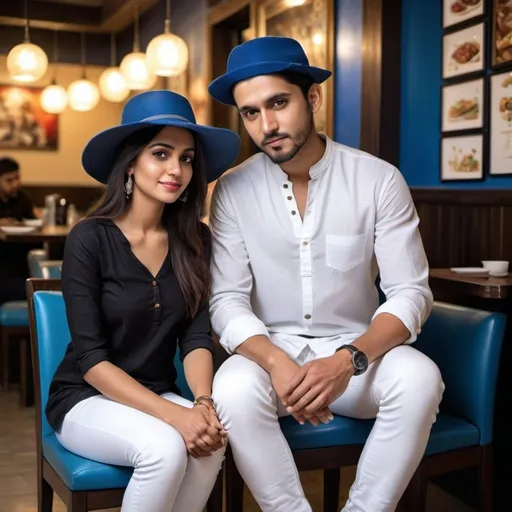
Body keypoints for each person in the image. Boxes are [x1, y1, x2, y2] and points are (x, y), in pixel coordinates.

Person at [207, 36, 445, 512]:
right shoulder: (231, 190)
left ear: (312, 97)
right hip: (270, 356)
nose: (267, 125)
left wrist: (346, 361)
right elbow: (226, 300)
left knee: (421, 379)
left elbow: (410, 293)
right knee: (231, 388)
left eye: (278, 103)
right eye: (251, 112)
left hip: (357, 358)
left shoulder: (378, 179)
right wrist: (277, 363)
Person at [45, 90, 240, 512]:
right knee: (165, 449)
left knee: (212, 442)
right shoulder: (89, 237)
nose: (177, 169)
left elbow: (196, 336)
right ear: (131, 162)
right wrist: (176, 417)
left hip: (156, 391)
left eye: (187, 158)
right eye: (161, 153)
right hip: (84, 398)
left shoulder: (196, 241)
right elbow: (92, 361)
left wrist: (202, 404)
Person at [0, 157, 39, 304]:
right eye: (9, 180)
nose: (15, 184)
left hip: (20, 265)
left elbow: (33, 221)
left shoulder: (22, 197)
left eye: (17, 178)